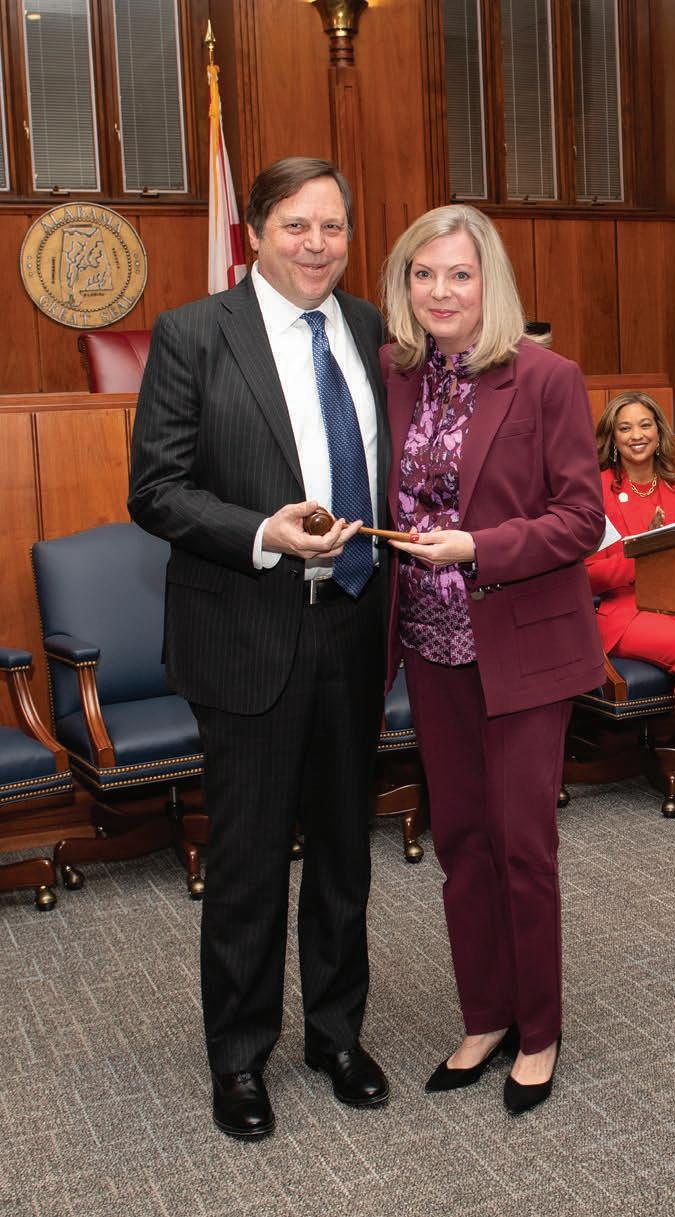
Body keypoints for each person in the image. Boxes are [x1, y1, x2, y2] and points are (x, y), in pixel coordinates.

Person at [129, 157, 391, 1140]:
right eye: (295, 225)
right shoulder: (194, 334)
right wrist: (262, 531)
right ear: (253, 232)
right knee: (247, 860)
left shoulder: (370, 328)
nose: (317, 244)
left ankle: (336, 1032)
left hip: (354, 621)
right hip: (247, 626)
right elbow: (156, 488)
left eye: (333, 226)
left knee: (344, 849)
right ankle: (238, 1056)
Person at [381, 204, 605, 1114]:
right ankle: (484, 1014)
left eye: (460, 274)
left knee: (521, 843)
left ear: (490, 283)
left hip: (523, 646)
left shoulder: (547, 378)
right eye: (424, 274)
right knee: (462, 841)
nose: (441, 291)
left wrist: (479, 546)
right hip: (431, 646)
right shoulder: (395, 376)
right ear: (405, 284)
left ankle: (539, 1030)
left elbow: (581, 519)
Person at [587, 391, 675, 814]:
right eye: (625, 428)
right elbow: (589, 575)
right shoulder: (596, 491)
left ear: (660, 432)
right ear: (613, 438)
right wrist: (646, 549)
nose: (637, 435)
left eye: (645, 425)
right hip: (623, 609)